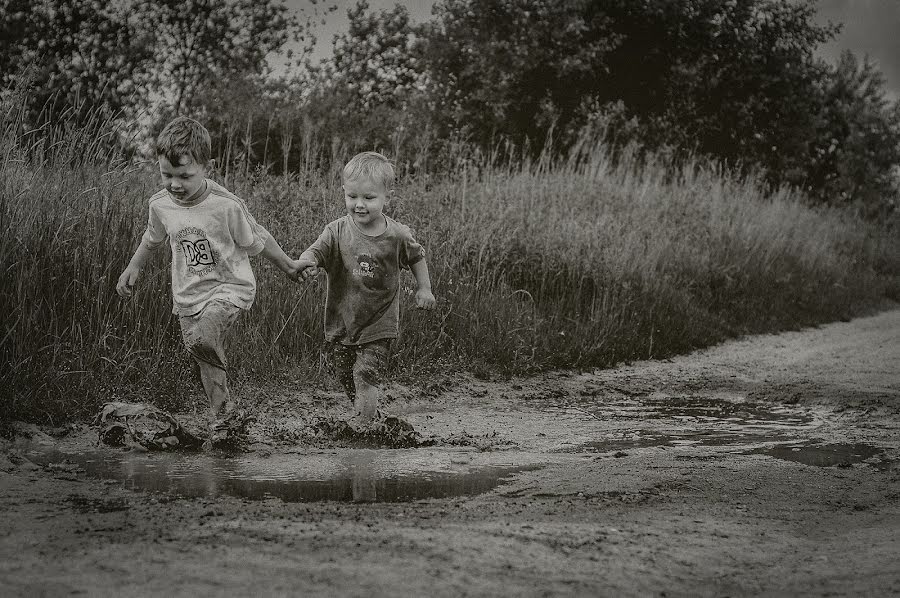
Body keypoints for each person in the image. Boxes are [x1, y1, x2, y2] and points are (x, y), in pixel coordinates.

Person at [116, 116, 301, 419]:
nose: (175, 184)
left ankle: (225, 413)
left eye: (185, 176)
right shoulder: (160, 205)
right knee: (203, 355)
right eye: (167, 175)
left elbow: (258, 238)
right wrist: (133, 266)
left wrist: (288, 266)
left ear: (208, 167)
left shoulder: (226, 205)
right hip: (187, 296)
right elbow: (152, 238)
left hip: (229, 288)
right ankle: (224, 417)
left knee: (203, 338)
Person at [296, 151, 436, 427]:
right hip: (342, 320)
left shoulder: (396, 235)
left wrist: (425, 289)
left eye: (369, 198)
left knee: (365, 373)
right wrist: (308, 263)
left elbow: (417, 257)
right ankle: (371, 420)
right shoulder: (336, 231)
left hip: (379, 322)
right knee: (345, 374)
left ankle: (361, 430)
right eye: (352, 197)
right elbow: (315, 251)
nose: (359, 205)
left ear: (387, 196)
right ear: (344, 193)